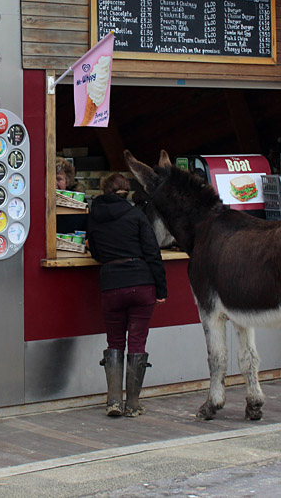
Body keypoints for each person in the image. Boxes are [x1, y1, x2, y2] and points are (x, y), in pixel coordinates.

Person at [86, 172, 167, 418]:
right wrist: (161, 290)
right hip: (141, 283)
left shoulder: (94, 217)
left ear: (103, 190)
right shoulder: (137, 215)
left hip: (111, 284)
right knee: (137, 342)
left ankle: (113, 400)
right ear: (127, 191)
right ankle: (132, 403)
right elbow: (153, 253)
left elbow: (97, 253)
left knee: (115, 342)